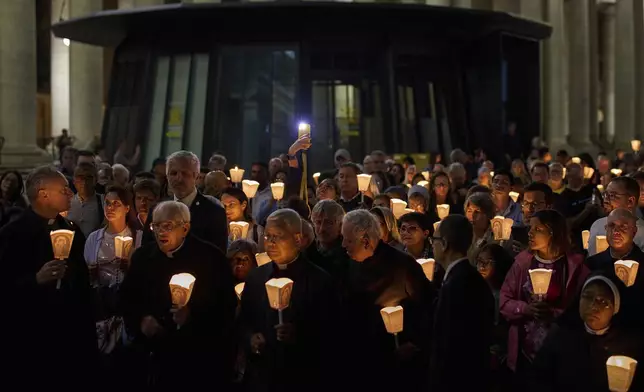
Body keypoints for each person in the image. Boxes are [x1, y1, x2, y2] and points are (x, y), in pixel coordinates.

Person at [120, 201, 236, 389]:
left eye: (167, 226)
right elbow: (127, 298)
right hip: (153, 354)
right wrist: (141, 320)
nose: (160, 232)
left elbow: (226, 307)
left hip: (196, 356)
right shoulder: (143, 257)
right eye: (156, 226)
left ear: (185, 228)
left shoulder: (211, 258)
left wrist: (193, 316)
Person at [0, 165, 96, 388]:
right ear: (43, 194)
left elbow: (82, 284)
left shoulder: (72, 231)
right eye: (64, 189)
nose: (71, 193)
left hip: (69, 336)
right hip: (28, 337)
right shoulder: (13, 234)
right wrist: (35, 280)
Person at [239, 209, 339, 392]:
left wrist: (300, 334)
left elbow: (332, 333)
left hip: (303, 376)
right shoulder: (256, 277)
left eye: (278, 236)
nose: (271, 243)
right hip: (262, 377)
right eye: (268, 236)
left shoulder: (320, 281)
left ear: (298, 239)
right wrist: (251, 339)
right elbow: (243, 320)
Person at [342, 209, 434, 392]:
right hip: (360, 362)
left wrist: (415, 343)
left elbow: (429, 306)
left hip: (395, 366)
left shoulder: (403, 266)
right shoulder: (350, 263)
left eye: (348, 240)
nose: (343, 244)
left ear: (366, 240)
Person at [500, 209, 589, 379]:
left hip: (560, 351)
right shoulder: (522, 263)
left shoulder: (575, 267)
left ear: (554, 233)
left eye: (538, 229)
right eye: (530, 228)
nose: (530, 233)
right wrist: (526, 309)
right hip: (523, 351)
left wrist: (554, 314)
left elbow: (583, 310)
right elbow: (505, 301)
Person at [530, 274, 644, 392]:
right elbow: (540, 378)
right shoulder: (561, 337)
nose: (593, 306)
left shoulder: (631, 345)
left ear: (615, 307)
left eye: (603, 301)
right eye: (588, 297)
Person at [430, 214, 495, 392]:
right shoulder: (466, 277)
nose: (432, 245)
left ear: (444, 244)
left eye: (433, 239)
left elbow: (450, 343)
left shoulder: (458, 284)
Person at [84, 185, 141, 374]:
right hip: (99, 306)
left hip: (125, 306)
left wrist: (129, 268)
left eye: (116, 204)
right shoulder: (94, 238)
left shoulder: (137, 238)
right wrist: (91, 274)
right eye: (107, 203)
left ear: (126, 208)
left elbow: (144, 275)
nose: (110, 208)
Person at [143, 151, 228, 253]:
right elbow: (146, 250)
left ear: (196, 176)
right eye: (173, 173)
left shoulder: (214, 212)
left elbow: (218, 255)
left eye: (185, 173)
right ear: (167, 176)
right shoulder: (156, 210)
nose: (179, 179)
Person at [586, 208, 644, 327]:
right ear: (606, 229)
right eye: (612, 225)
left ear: (634, 232)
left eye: (623, 226)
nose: (616, 231)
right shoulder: (591, 264)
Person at [588, 176, 644, 255]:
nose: (606, 200)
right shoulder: (597, 225)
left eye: (612, 196)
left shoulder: (642, 233)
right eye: (605, 195)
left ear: (630, 201)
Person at [307, 200, 351, 283]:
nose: (322, 228)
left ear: (340, 226)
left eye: (329, 223)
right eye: (318, 222)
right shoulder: (308, 251)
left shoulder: (348, 253)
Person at [67, 162, 104, 238]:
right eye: (80, 177)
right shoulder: (66, 202)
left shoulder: (103, 201)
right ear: (74, 181)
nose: (84, 181)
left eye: (89, 177)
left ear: (96, 180)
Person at [513, 182, 554, 247]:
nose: (529, 209)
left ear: (549, 207)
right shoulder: (514, 235)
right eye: (526, 203)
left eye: (535, 204)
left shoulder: (557, 236)